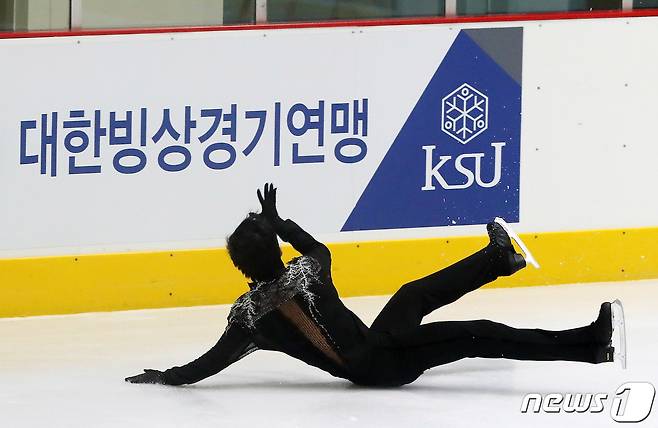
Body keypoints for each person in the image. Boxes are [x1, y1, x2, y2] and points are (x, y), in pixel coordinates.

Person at [126, 184, 624, 387]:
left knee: (411, 295)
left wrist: (167, 376)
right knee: (480, 332)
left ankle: (499, 257)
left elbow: (210, 363)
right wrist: (279, 220)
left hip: (375, 346)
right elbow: (314, 246)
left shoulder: (248, 316)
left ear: (240, 268)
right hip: (381, 364)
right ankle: (588, 346)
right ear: (278, 250)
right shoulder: (308, 269)